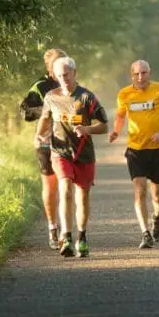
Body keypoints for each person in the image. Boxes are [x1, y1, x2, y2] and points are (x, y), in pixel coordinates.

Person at [34, 56, 108, 257]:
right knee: (65, 187)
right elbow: (45, 119)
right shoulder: (51, 97)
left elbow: (104, 126)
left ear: (74, 73)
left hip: (84, 154)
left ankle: (81, 236)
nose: (63, 78)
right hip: (60, 151)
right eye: (59, 75)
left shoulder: (87, 97)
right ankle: (66, 236)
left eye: (66, 74)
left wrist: (86, 129)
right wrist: (39, 136)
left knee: (82, 196)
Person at [108, 59, 159, 249]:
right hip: (135, 150)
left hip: (158, 149)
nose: (141, 77)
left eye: (144, 73)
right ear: (131, 75)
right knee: (140, 191)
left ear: (150, 72)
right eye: (137, 74)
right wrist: (115, 131)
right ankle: (145, 233)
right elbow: (120, 116)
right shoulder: (124, 94)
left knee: (158, 195)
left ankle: (157, 217)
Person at [20, 48, 67, 250]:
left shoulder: (71, 84)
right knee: (51, 186)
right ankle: (52, 228)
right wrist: (48, 111)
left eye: (63, 62)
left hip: (68, 142)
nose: (60, 67)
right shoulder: (40, 86)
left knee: (67, 186)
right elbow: (26, 112)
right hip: (46, 143)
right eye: (56, 64)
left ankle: (67, 231)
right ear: (48, 67)